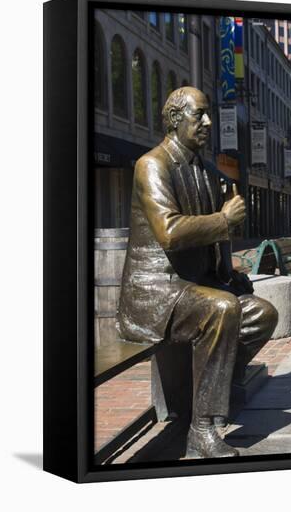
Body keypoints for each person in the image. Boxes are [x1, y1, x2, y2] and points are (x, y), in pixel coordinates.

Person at [117, 87, 278, 459]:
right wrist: (224, 220)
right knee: (222, 310)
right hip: (155, 291)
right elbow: (170, 232)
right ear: (175, 120)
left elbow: (213, 237)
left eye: (208, 115)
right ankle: (202, 430)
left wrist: (226, 273)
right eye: (199, 115)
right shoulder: (152, 165)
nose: (207, 122)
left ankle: (211, 388)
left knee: (261, 314)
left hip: (192, 287)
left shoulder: (204, 170)